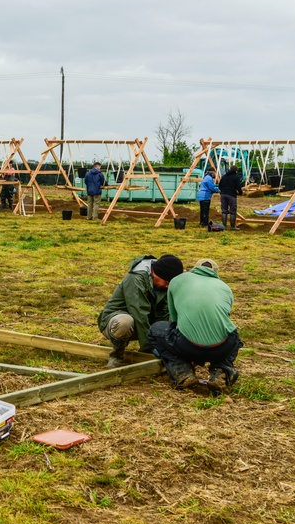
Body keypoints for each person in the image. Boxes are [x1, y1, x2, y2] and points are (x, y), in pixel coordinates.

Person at [148, 261, 242, 391]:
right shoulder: (225, 288)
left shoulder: (177, 280)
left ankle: (183, 373)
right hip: (221, 348)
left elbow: (174, 320)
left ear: (195, 269)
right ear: (215, 273)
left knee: (155, 330)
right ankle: (221, 372)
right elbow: (223, 320)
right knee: (234, 337)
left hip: (187, 345)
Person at [98, 255, 184, 368]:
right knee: (125, 322)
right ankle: (116, 355)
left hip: (141, 322)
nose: (168, 286)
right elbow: (139, 313)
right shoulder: (136, 278)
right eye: (167, 282)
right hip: (114, 320)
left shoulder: (162, 286)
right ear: (154, 273)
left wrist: (162, 345)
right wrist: (149, 348)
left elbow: (163, 315)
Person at [218, 165, 244, 230]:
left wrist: (223, 191)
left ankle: (224, 226)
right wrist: (240, 193)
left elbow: (219, 186)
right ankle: (232, 227)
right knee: (233, 211)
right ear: (236, 171)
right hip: (231, 195)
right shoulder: (236, 177)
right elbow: (238, 187)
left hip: (223, 195)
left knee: (224, 211)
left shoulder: (224, 176)